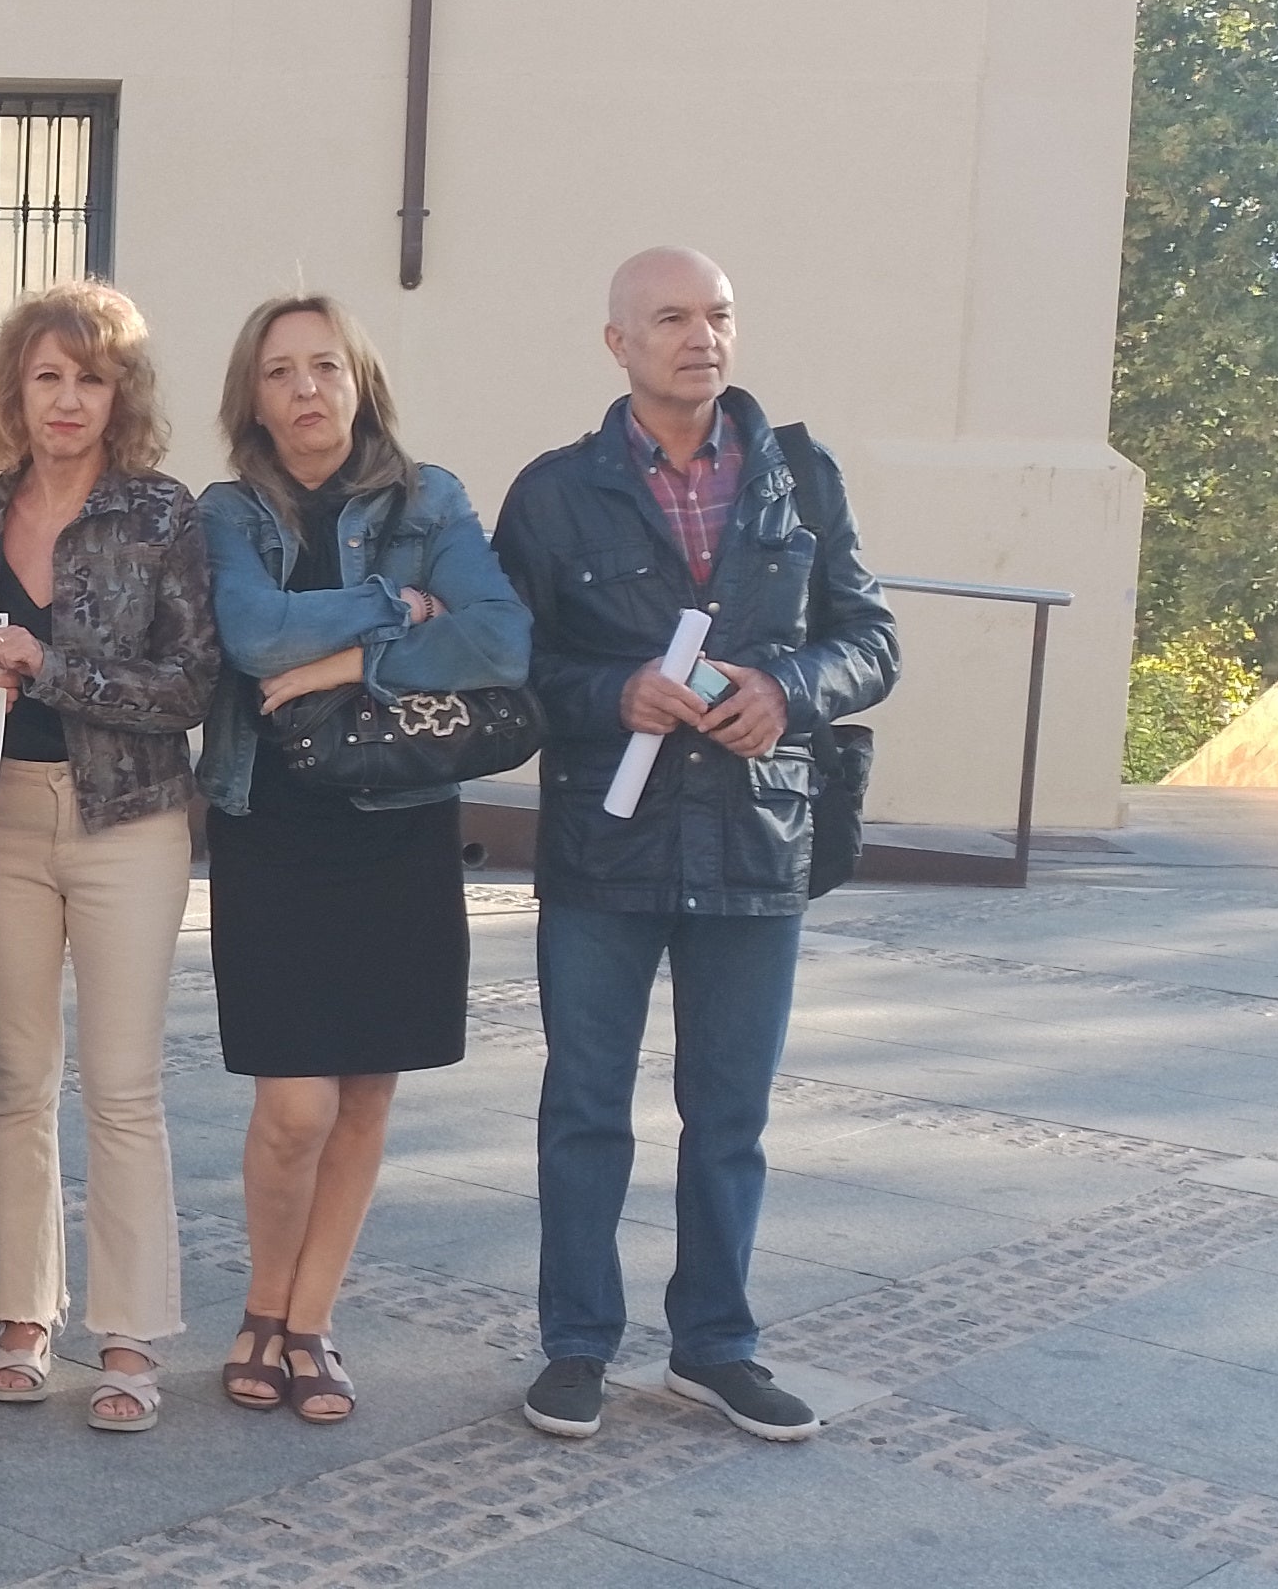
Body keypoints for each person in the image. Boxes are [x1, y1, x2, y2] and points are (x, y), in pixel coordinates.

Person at [493, 247, 895, 1444]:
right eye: (670, 318)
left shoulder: (799, 479)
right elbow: (510, 660)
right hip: (603, 847)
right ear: (616, 342)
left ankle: (715, 1348)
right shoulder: (555, 492)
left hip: (756, 839)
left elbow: (870, 638)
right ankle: (576, 1346)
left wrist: (792, 686)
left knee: (730, 1114)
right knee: (584, 1106)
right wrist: (611, 690)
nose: (699, 338)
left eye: (717, 315)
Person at [196, 295, 528, 1426]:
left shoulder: (430, 498)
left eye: (324, 366)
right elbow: (248, 635)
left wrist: (342, 667)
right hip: (273, 828)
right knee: (293, 1106)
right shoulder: (229, 511)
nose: (305, 389)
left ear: (358, 380)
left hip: (400, 820)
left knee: (365, 1095)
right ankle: (259, 1301)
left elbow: (497, 639)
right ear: (254, 396)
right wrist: (395, 606)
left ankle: (306, 1324)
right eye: (280, 370)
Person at [0, 282, 216, 1435]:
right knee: (14, 1079)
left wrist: (51, 669)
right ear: (17, 387)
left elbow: (191, 686)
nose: (67, 399)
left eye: (90, 378)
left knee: (121, 1084)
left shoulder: (162, 513)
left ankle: (129, 1331)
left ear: (122, 395)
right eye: (47, 376)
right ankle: (20, 1315)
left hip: (130, 819)